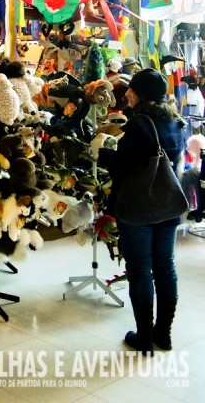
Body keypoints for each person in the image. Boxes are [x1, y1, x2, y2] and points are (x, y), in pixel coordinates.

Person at [99, 68, 187, 354]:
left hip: (138, 210)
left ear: (140, 94)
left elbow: (121, 165)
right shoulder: (176, 122)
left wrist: (101, 150)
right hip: (168, 206)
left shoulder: (140, 125)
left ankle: (144, 337)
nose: (127, 93)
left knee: (140, 272)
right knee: (166, 268)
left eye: (131, 89)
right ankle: (164, 335)